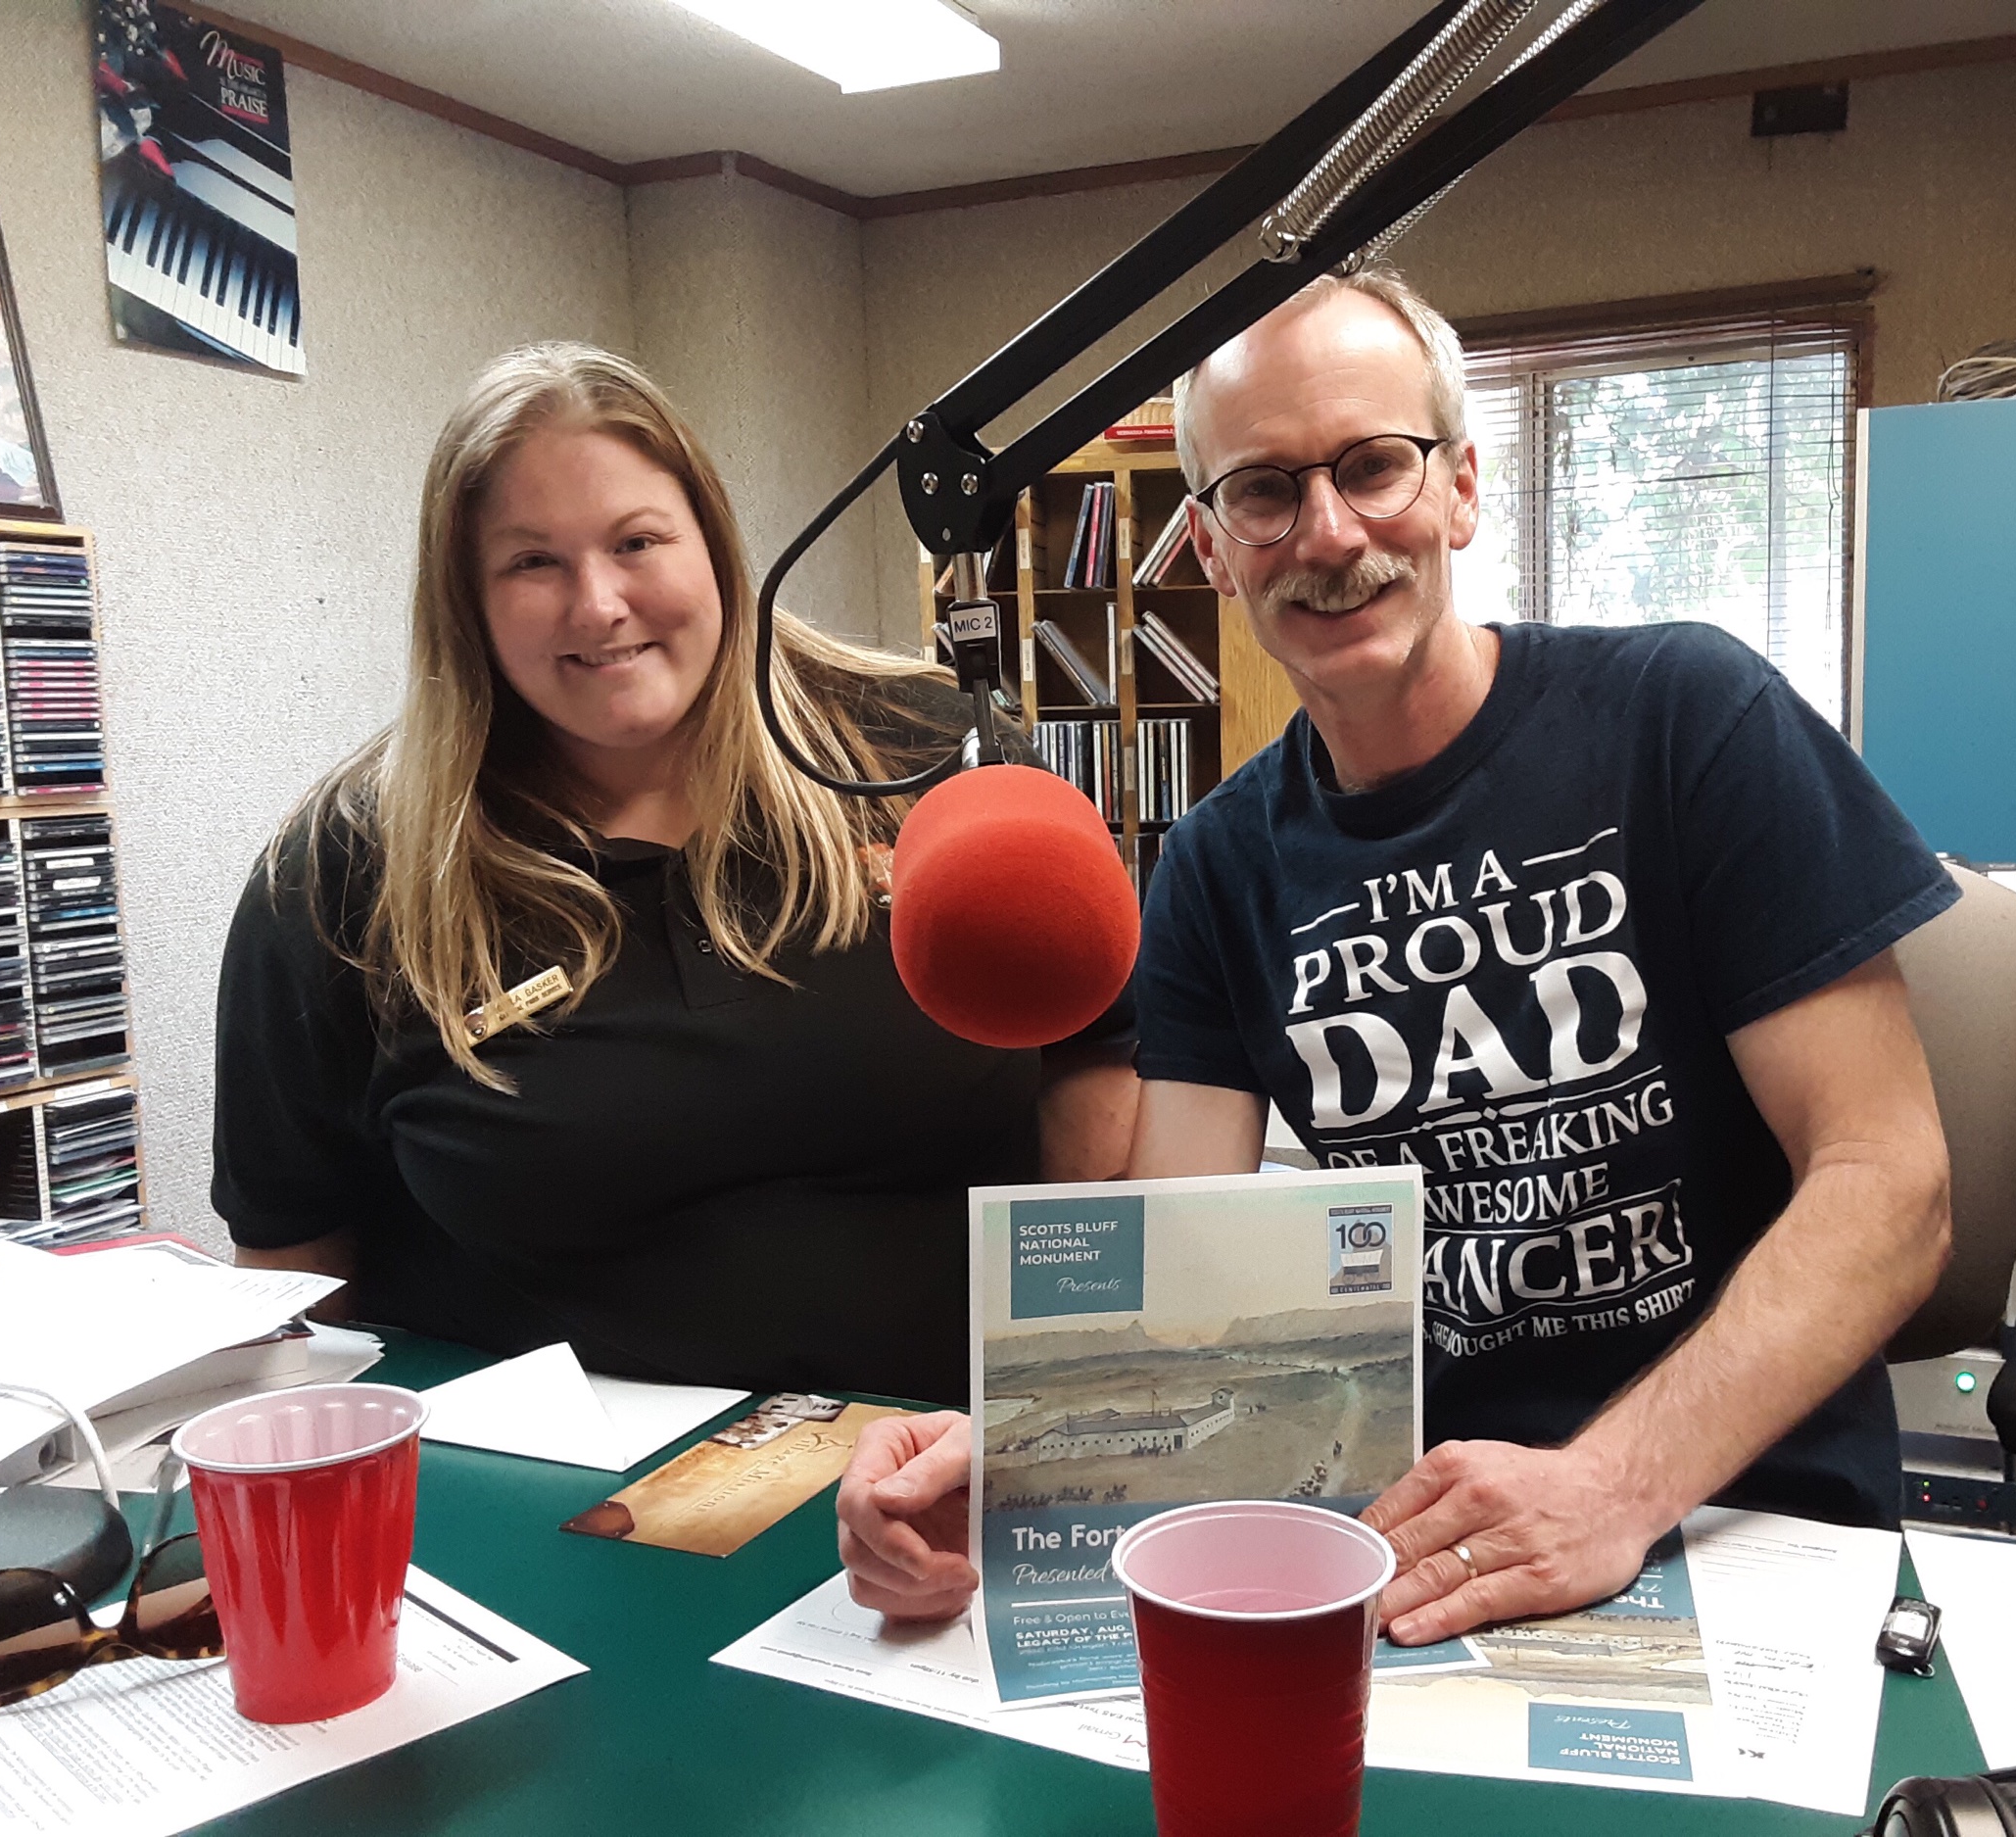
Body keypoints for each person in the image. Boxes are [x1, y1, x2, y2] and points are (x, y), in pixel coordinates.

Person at [838, 269, 1955, 1640]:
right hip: (1416, 1535)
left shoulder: (1689, 719)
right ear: (1205, 541)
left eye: (1374, 465)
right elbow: (1179, 1273)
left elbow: (1892, 1185)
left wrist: (1610, 1484)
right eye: (1264, 491)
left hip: (1741, 1507)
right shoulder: (1218, 866)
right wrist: (1010, 1468)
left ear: (1464, 487)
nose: (1328, 531)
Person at [214, 343, 1134, 1404]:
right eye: (531, 562)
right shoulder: (339, 874)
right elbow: (293, 1264)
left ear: (714, 546)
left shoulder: (930, 756)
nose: (598, 603)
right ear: (464, 599)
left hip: (951, 1466)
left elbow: (1096, 1055)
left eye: (637, 540)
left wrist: (1068, 1392)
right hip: (563, 1516)